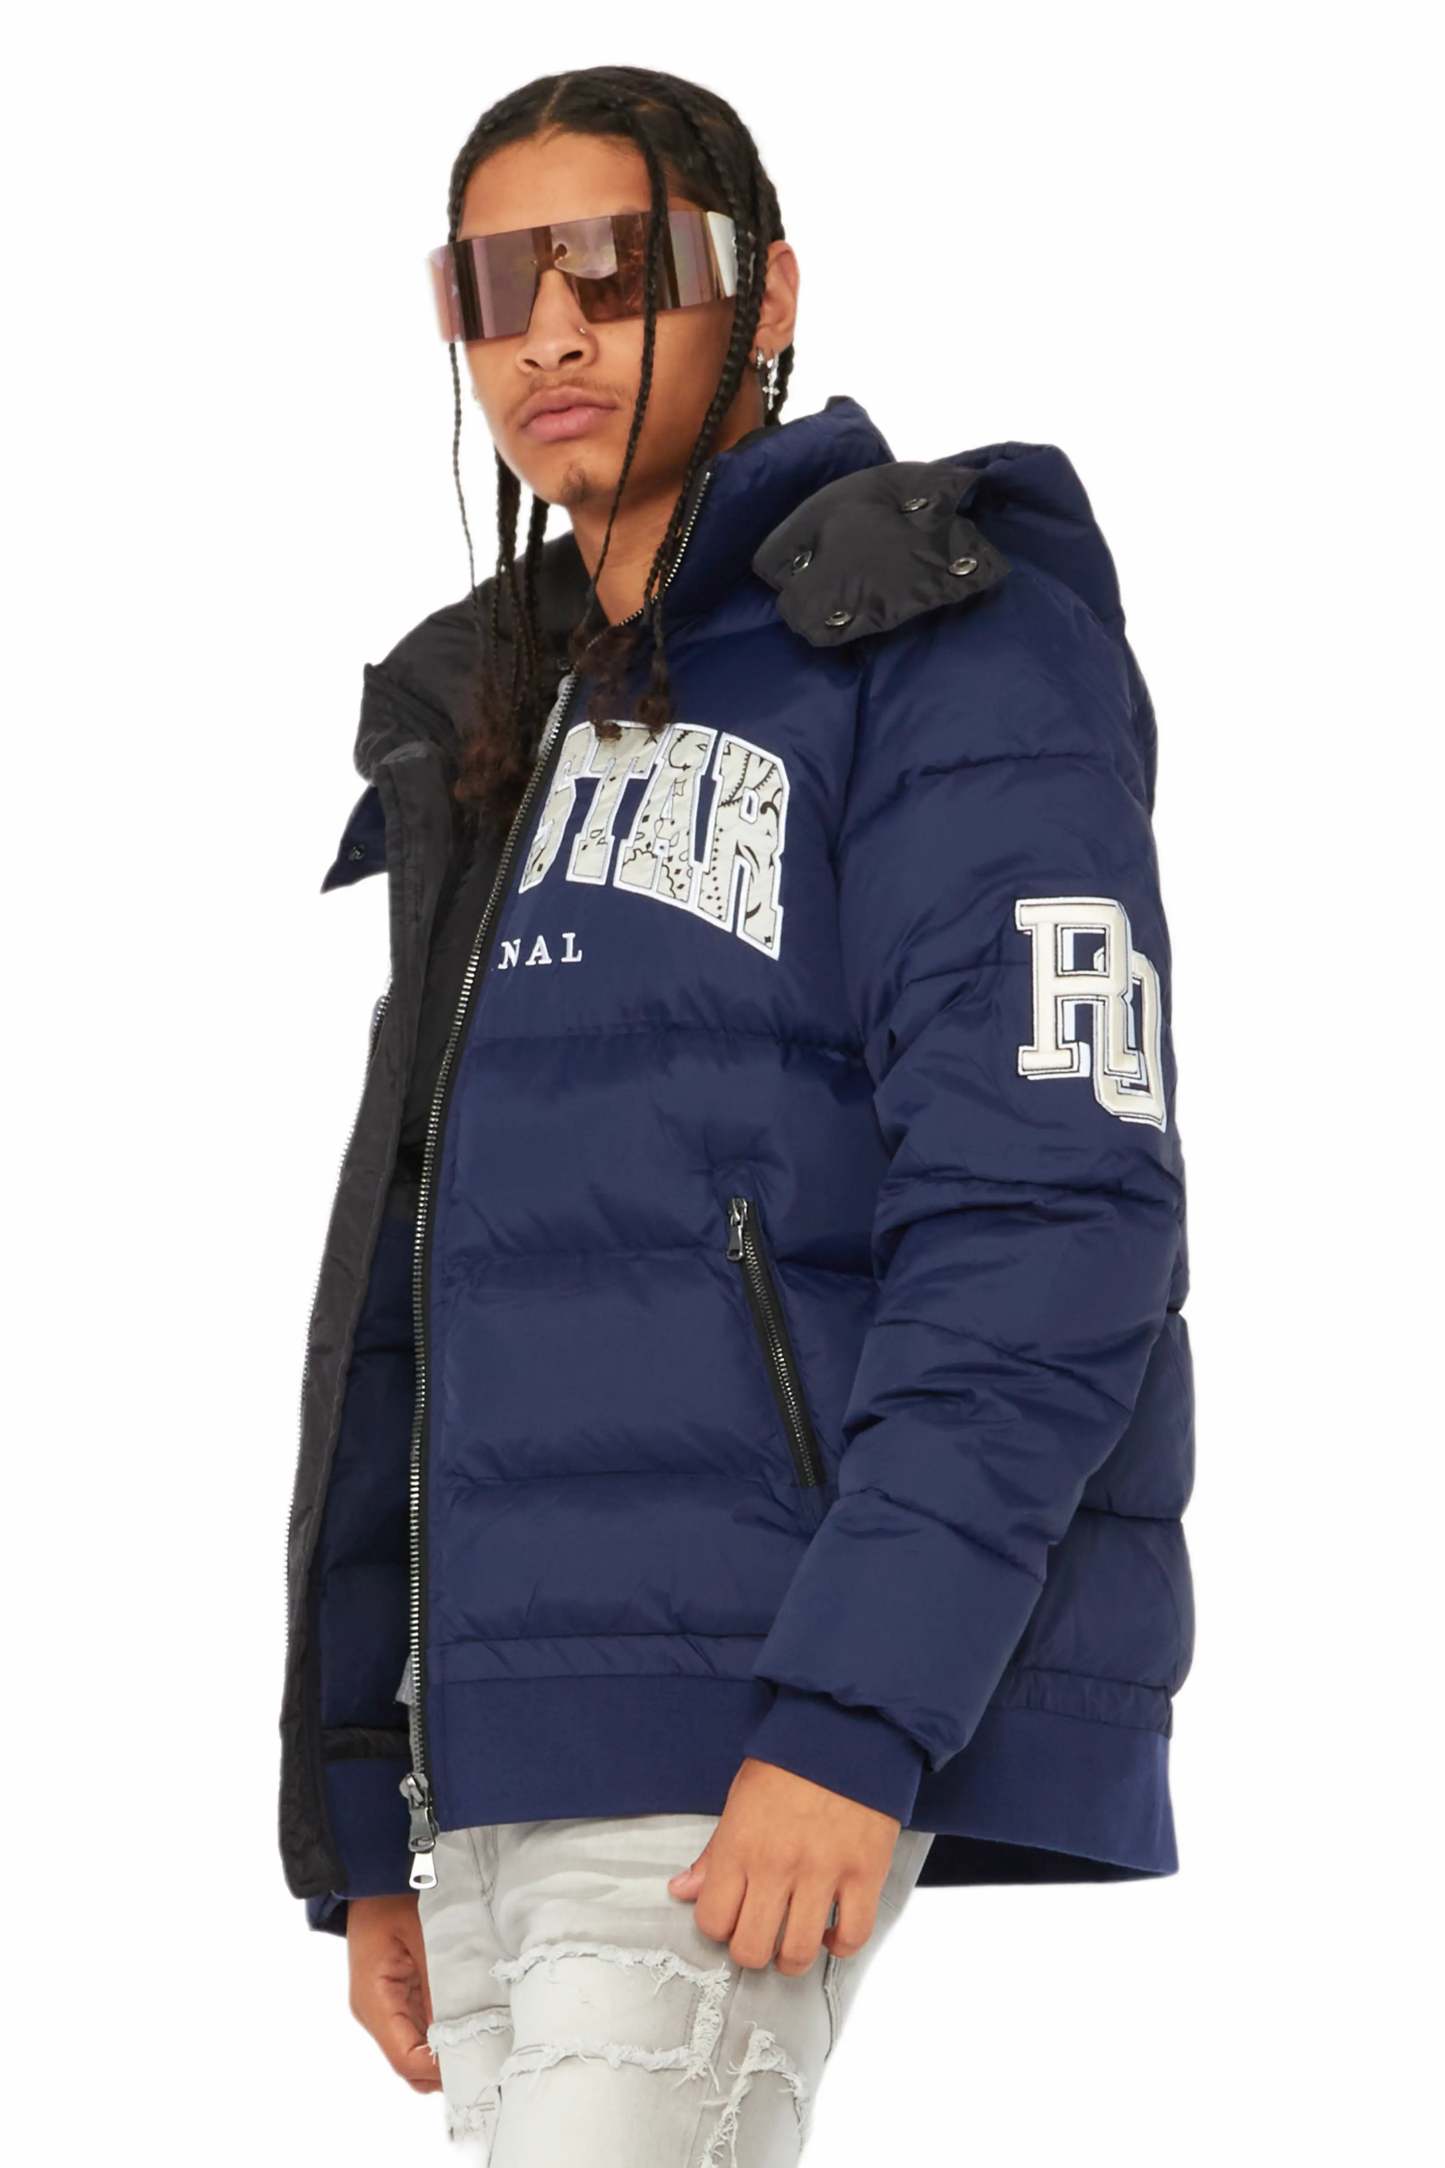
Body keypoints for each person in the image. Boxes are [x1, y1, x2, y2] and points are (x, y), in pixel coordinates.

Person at [278, 63, 1196, 2163]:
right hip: (486, 1756)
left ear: (761, 291)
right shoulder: (495, 720)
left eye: (615, 269)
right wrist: (363, 1800)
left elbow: (1056, 1211)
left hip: (746, 1709)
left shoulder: (946, 655)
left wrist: (856, 1709)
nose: (551, 331)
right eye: (494, 285)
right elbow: (414, 1284)